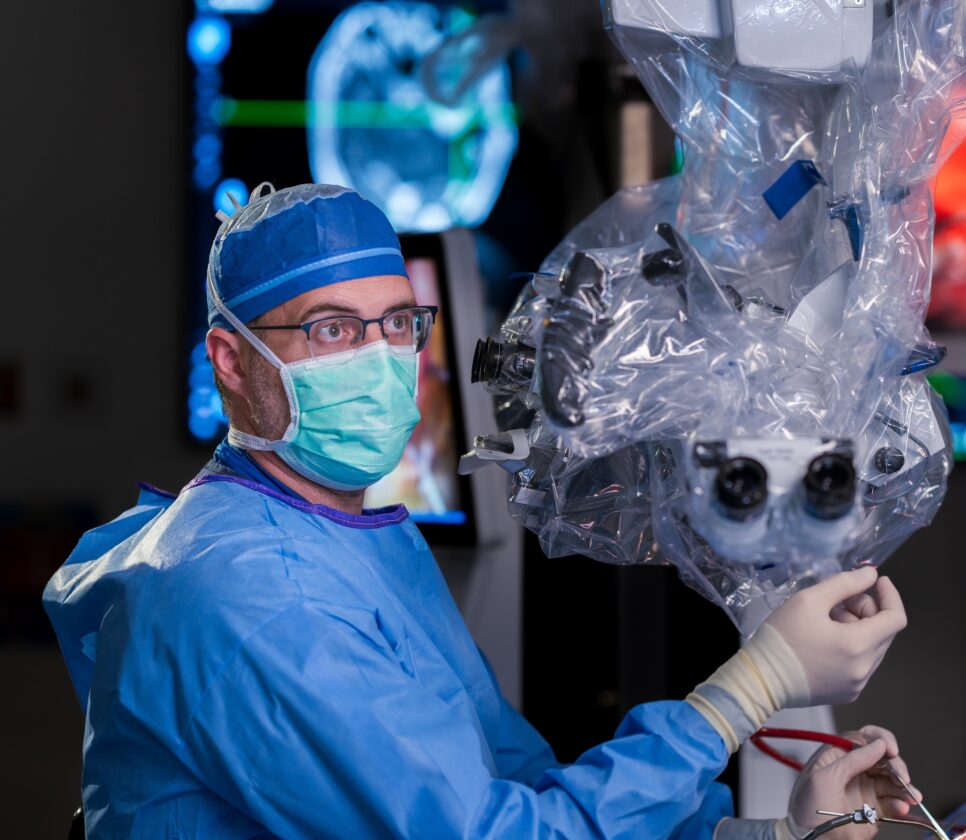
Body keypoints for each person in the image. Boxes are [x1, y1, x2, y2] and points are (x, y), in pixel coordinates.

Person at [44, 183, 919, 839]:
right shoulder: (251, 595)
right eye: (333, 330)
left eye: (398, 325)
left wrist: (775, 834)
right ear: (230, 363)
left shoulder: (350, 541)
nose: (382, 358)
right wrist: (750, 689)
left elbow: (525, 796)